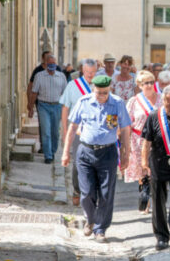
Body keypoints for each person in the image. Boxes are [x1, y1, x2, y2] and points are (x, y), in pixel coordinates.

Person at [61, 75, 132, 243]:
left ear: (110, 90)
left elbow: (125, 128)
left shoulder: (117, 103)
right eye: (99, 93)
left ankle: (100, 229)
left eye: (105, 93)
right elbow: (73, 128)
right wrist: (65, 152)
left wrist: (125, 152)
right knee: (86, 193)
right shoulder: (84, 102)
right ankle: (90, 219)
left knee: (106, 193)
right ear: (93, 90)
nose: (102, 96)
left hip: (108, 153)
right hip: (85, 152)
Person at [142, 85, 170, 253]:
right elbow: (146, 141)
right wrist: (143, 164)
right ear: (163, 102)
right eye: (168, 104)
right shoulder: (154, 116)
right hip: (158, 165)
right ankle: (161, 237)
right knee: (158, 201)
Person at [60, 58, 97, 206]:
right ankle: (77, 190)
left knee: (94, 163)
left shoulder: (99, 86)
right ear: (83, 70)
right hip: (77, 131)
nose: (91, 75)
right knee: (77, 162)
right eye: (88, 72)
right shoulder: (72, 85)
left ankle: (91, 191)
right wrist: (64, 131)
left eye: (93, 72)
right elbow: (65, 109)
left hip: (95, 131)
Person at [124, 70, 161, 187]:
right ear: (140, 85)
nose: (150, 85)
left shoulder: (162, 98)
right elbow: (126, 125)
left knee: (157, 173)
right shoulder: (133, 101)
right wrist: (126, 146)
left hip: (158, 140)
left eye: (151, 82)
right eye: (146, 83)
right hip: (139, 141)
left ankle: (156, 201)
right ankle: (145, 202)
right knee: (144, 175)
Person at [29, 54, 67, 164]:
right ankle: (48, 155)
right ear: (45, 64)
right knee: (46, 131)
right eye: (49, 64)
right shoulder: (39, 76)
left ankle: (53, 151)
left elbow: (65, 94)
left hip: (57, 106)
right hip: (43, 106)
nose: (52, 66)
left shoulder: (61, 76)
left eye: (54, 64)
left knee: (55, 132)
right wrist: (31, 107)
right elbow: (34, 92)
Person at [27, 50, 51, 153]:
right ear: (42, 59)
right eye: (46, 58)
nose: (48, 60)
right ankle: (44, 147)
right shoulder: (38, 71)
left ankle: (51, 147)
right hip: (41, 102)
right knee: (43, 125)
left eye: (49, 58)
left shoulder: (56, 69)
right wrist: (30, 104)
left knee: (53, 127)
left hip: (55, 103)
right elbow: (30, 86)